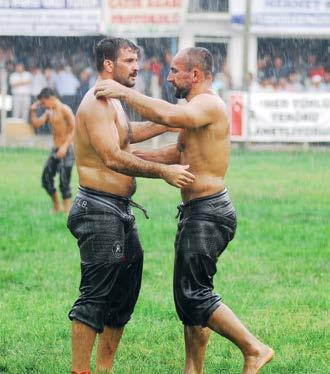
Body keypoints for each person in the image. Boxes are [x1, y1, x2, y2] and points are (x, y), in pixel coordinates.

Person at [94, 46, 274, 374]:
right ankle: (193, 369)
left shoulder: (207, 104)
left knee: (194, 295)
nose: (169, 76)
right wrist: (125, 156)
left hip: (209, 213)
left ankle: (254, 348)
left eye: (175, 71)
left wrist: (122, 92)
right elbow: (176, 154)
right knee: (188, 300)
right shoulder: (196, 107)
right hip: (197, 214)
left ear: (194, 75)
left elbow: (169, 116)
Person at [67, 37, 195, 374]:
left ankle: (104, 369)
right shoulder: (95, 104)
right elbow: (112, 156)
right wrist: (163, 171)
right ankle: (80, 371)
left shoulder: (114, 102)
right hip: (97, 211)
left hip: (118, 211)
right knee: (94, 298)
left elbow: (126, 133)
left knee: (123, 298)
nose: (137, 66)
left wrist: (172, 119)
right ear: (108, 64)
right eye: (128, 60)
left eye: (136, 59)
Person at [30, 88, 75, 214]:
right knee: (46, 179)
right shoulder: (49, 112)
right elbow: (36, 124)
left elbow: (75, 129)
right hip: (55, 149)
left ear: (51, 98)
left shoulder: (65, 109)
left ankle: (68, 210)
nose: (43, 106)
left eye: (44, 103)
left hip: (68, 149)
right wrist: (32, 111)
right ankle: (57, 206)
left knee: (64, 181)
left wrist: (65, 146)